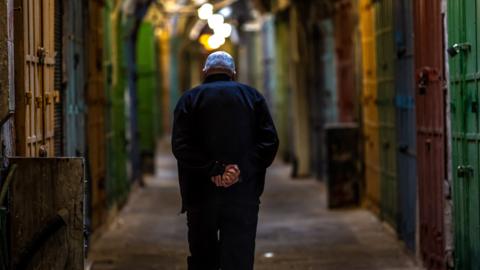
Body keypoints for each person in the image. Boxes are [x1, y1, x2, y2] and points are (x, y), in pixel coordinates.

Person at [172, 51, 279, 270]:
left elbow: (181, 146)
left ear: (204, 72)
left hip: (200, 195)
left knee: (203, 259)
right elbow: (269, 142)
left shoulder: (189, 99)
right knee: (239, 258)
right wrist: (239, 171)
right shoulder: (253, 97)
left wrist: (213, 170)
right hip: (243, 194)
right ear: (233, 72)